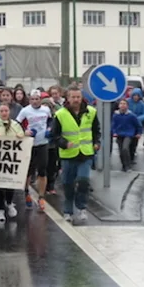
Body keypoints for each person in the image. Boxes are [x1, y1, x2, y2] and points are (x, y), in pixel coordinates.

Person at [52, 87, 100, 223]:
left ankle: (81, 207)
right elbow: (54, 135)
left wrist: (97, 142)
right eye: (73, 97)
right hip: (68, 154)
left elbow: (96, 130)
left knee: (83, 180)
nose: (76, 100)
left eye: (78, 97)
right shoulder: (60, 114)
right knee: (68, 184)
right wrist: (64, 143)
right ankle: (68, 210)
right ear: (68, 98)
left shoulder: (91, 112)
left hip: (86, 152)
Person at [0, 103, 25, 224]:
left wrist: (21, 136)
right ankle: (0, 210)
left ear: (9, 112)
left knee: (10, 185)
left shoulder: (15, 125)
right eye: (1, 111)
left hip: (11, 161)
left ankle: (9, 203)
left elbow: (23, 139)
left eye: (6, 111)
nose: (4, 113)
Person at [16, 90, 52, 212]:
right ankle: (27, 193)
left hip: (43, 143)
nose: (35, 101)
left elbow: (51, 121)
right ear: (29, 100)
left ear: (40, 100)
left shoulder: (46, 109)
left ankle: (41, 197)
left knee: (42, 170)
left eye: (37, 99)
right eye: (32, 99)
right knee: (29, 171)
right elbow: (16, 124)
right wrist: (24, 132)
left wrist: (49, 129)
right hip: (29, 144)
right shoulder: (25, 110)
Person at [111, 98, 143, 172]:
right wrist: (114, 132)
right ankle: (124, 165)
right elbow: (113, 125)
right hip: (119, 135)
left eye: (124, 104)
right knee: (121, 151)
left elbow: (138, 125)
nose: (122, 105)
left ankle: (128, 165)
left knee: (125, 148)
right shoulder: (116, 115)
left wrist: (139, 133)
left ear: (127, 106)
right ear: (119, 106)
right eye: (121, 104)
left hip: (129, 134)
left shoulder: (131, 115)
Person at [126, 89, 144, 161]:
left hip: (137, 124)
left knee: (135, 140)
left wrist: (138, 119)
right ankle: (127, 154)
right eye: (134, 95)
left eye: (137, 96)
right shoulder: (128, 101)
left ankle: (132, 154)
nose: (136, 97)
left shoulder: (141, 104)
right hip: (128, 123)